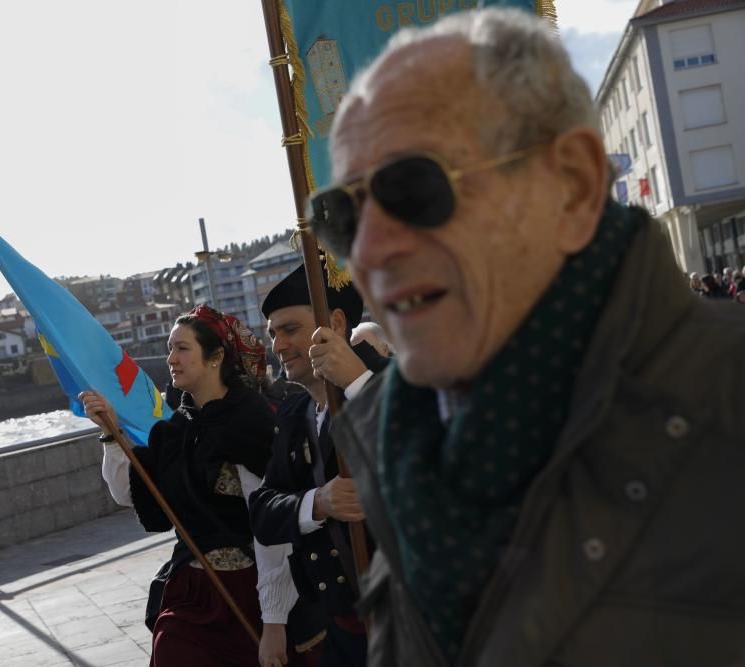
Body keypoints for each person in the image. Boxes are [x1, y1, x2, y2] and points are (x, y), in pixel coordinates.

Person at [307, 8, 745, 666]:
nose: (368, 249)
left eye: (415, 187)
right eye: (343, 213)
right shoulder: (400, 455)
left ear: (571, 186)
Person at [79, 305, 297, 667]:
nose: (170, 359)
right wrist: (111, 434)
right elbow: (128, 494)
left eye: (182, 348)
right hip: (189, 593)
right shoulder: (174, 429)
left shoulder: (250, 421)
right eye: (169, 349)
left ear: (215, 357)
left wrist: (275, 621)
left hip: (250, 590)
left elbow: (273, 526)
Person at [249, 264, 389, 667]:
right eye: (272, 333)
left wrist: (359, 386)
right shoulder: (295, 412)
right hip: (345, 631)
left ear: (336, 323)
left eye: (290, 329)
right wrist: (317, 503)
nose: (278, 345)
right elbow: (262, 511)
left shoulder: (400, 383)